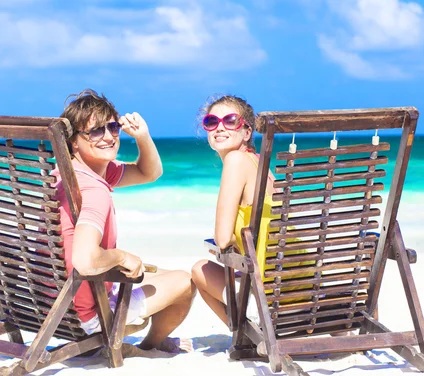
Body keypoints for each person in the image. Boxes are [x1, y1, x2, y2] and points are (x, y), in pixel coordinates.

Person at [54, 89, 195, 353]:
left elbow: (149, 172)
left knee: (161, 273)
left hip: (56, 306)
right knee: (185, 282)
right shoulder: (94, 190)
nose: (108, 137)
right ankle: (151, 346)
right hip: (90, 314)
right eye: (95, 131)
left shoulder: (63, 174)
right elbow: (84, 260)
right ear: (74, 141)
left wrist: (142, 137)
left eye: (113, 127)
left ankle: (158, 338)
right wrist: (120, 256)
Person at [190, 94, 279, 328]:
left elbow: (221, 239)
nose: (219, 128)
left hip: (269, 298)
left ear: (247, 132)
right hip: (295, 286)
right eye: (211, 122)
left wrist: (226, 243)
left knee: (201, 269)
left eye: (230, 120)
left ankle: (246, 336)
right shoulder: (262, 167)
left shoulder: (236, 161)